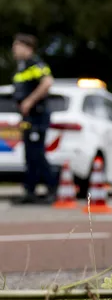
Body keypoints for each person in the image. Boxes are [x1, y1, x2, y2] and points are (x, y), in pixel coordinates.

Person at [11, 33, 58, 204]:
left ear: (28, 48)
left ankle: (53, 189)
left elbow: (47, 82)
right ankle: (29, 191)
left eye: (17, 46)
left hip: (38, 115)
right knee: (30, 155)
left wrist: (29, 101)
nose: (14, 50)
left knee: (37, 154)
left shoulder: (35, 63)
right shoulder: (21, 67)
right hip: (28, 117)